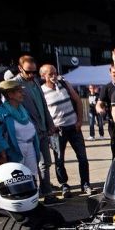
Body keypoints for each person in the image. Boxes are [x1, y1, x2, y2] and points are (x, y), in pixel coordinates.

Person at [39, 64, 92, 197]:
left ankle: (85, 184)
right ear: (43, 76)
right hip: (57, 131)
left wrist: (79, 121)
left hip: (74, 127)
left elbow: (78, 101)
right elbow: (42, 113)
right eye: (50, 74)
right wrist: (50, 127)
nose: (53, 76)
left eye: (55, 73)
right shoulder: (41, 91)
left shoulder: (64, 84)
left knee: (83, 158)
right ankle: (64, 185)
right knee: (59, 160)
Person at [13, 55, 59, 204]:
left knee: (46, 162)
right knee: (33, 165)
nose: (32, 75)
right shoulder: (15, 85)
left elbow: (43, 105)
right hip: (28, 132)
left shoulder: (35, 82)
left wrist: (50, 123)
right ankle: (37, 194)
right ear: (20, 68)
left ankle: (47, 192)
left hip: (43, 129)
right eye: (28, 72)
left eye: (34, 72)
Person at [0, 81, 41, 182]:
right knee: (19, 178)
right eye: (19, 91)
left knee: (32, 176)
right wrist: (3, 153)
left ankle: (34, 196)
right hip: (15, 151)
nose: (23, 93)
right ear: (10, 94)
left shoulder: (23, 110)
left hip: (30, 147)